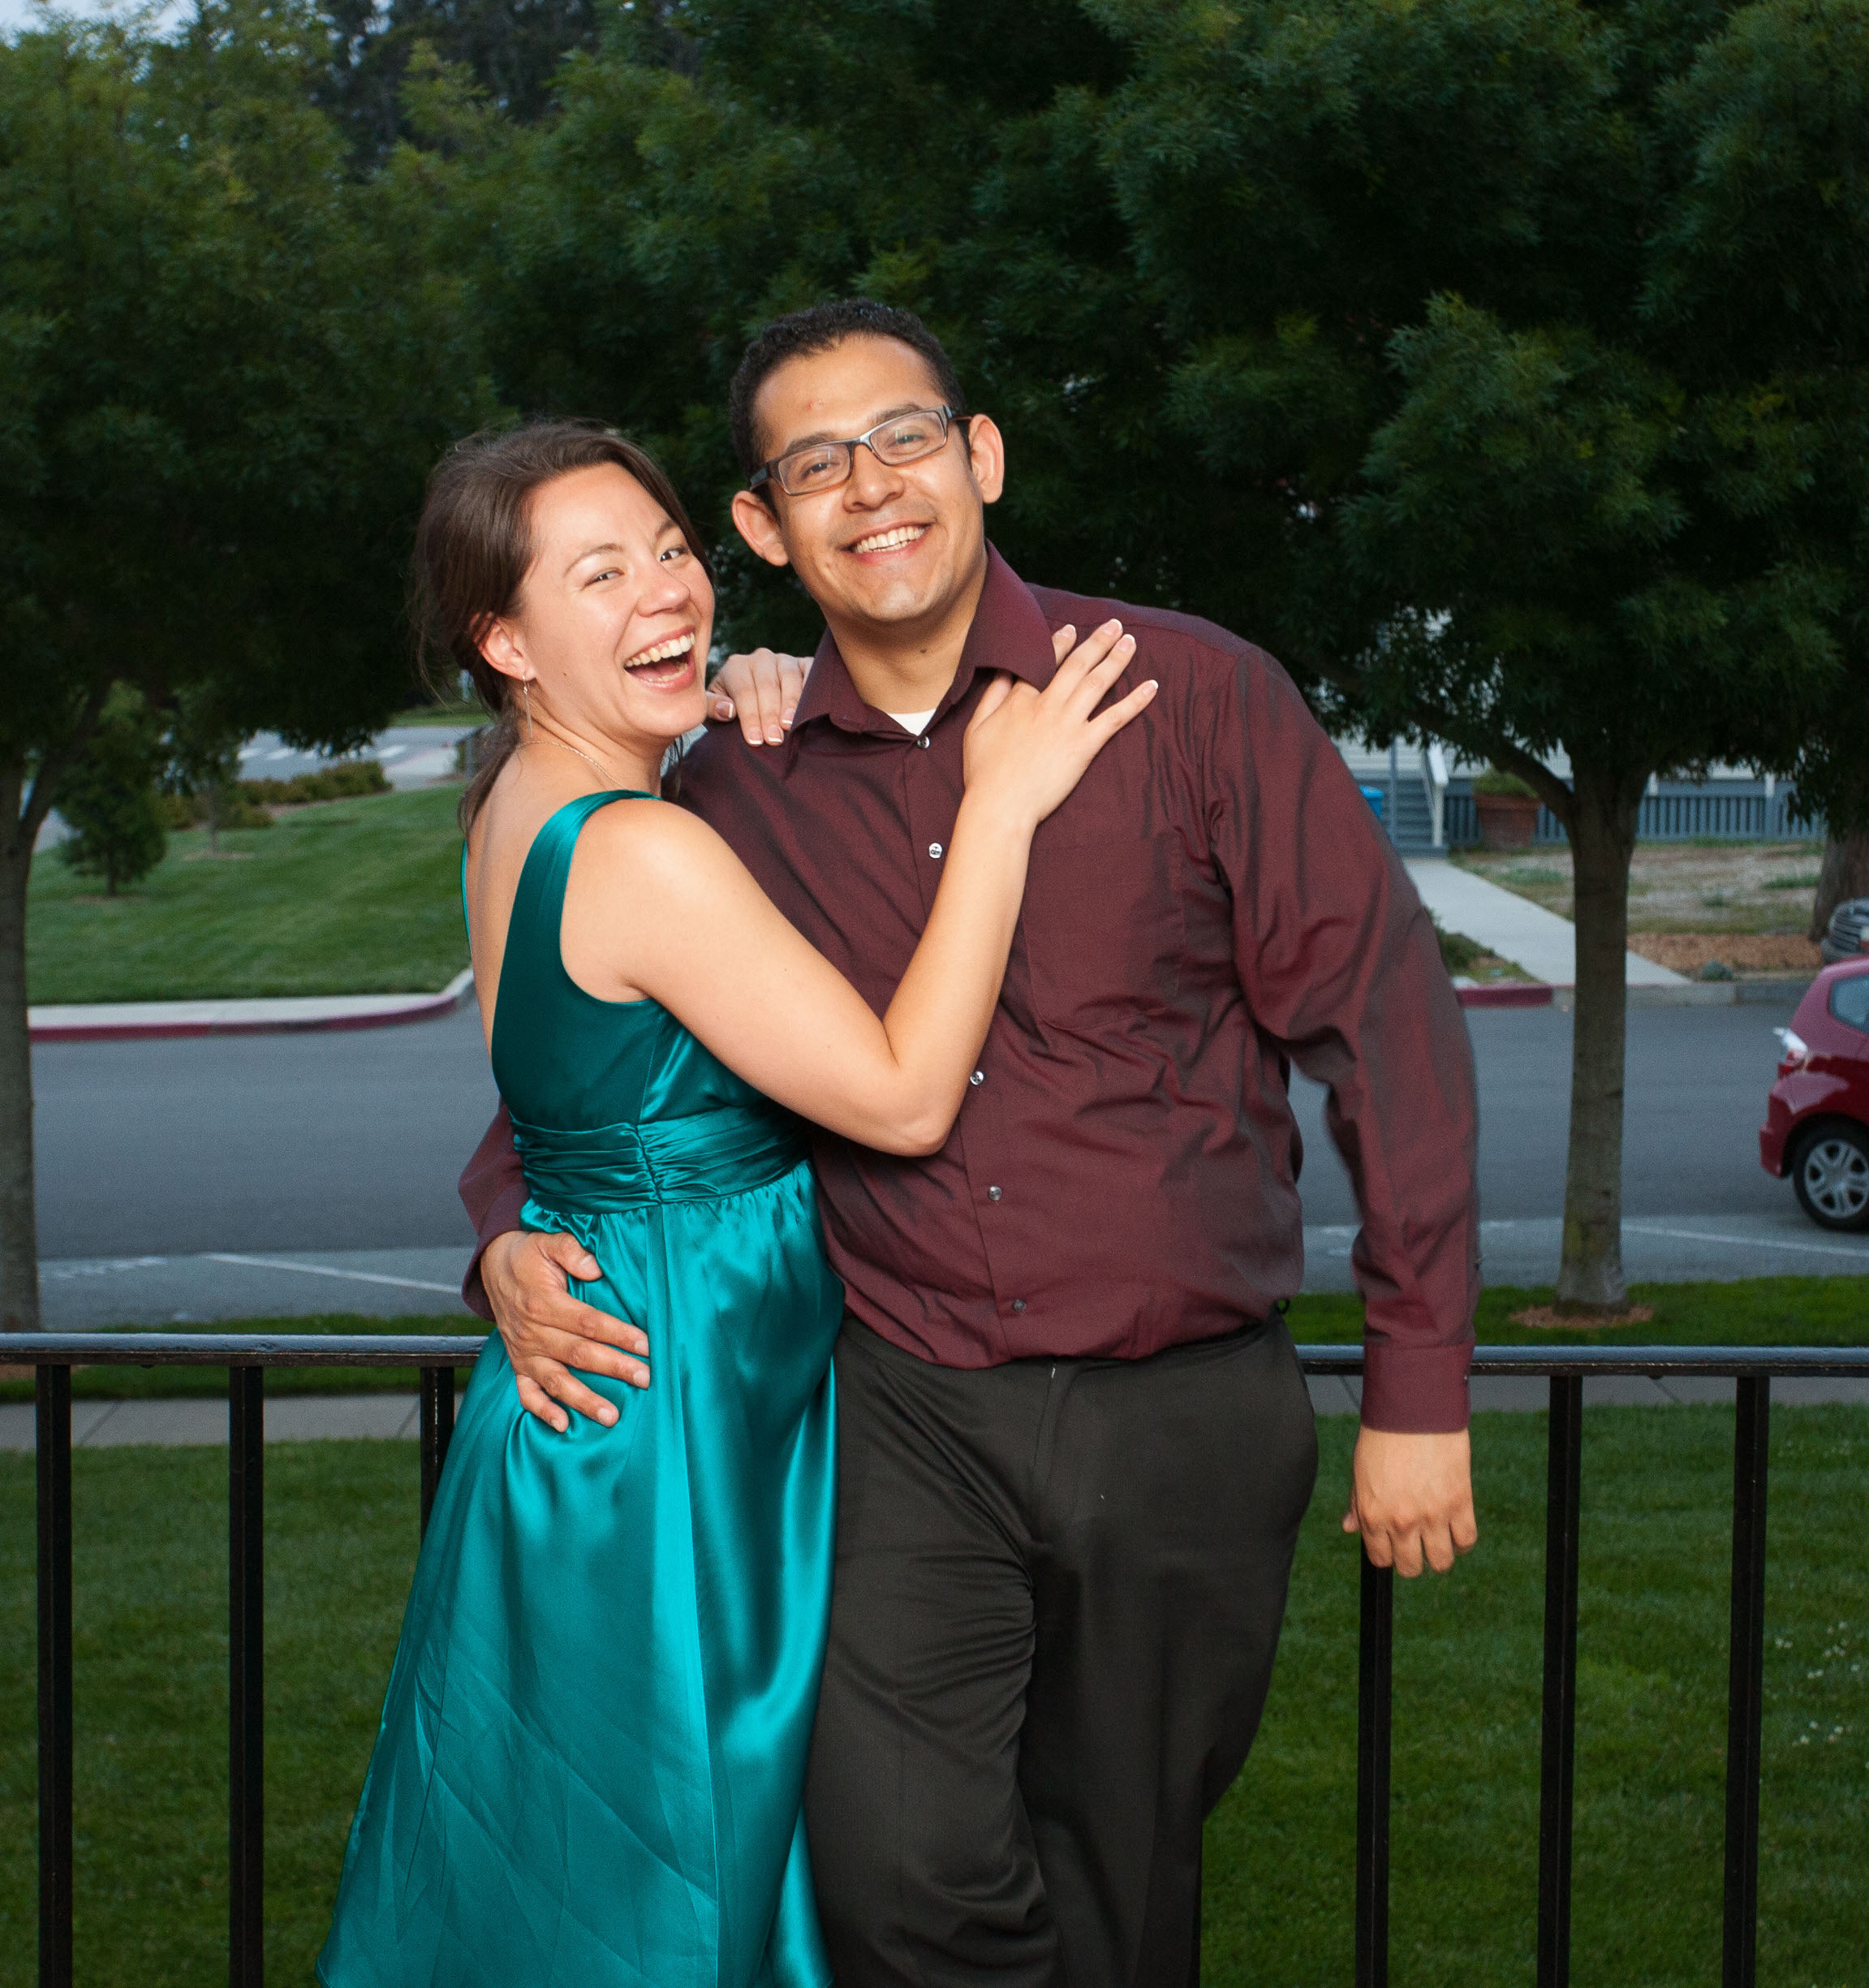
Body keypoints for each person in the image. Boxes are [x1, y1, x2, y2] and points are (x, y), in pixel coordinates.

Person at [461, 300, 1482, 1988]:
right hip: (896, 1418)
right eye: (814, 462)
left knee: (1123, 1883)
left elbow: (1386, 1032)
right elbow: (590, 1049)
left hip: (1185, 1412)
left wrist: (1419, 1383)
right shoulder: (736, 781)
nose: (870, 486)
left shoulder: (1196, 698)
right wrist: (508, 1229)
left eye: (905, 437)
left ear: (981, 455)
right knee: (893, 1875)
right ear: (765, 527)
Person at [317, 417, 1154, 1988]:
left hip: (616, 1388)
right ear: (503, 638)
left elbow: (573, 1098)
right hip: (673, 1414)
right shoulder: (640, 850)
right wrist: (999, 801)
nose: (666, 594)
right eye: (598, 572)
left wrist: (727, 707)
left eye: (673, 551)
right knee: (673, 1885)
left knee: (570, 1881)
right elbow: (903, 1096)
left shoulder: (519, 799)